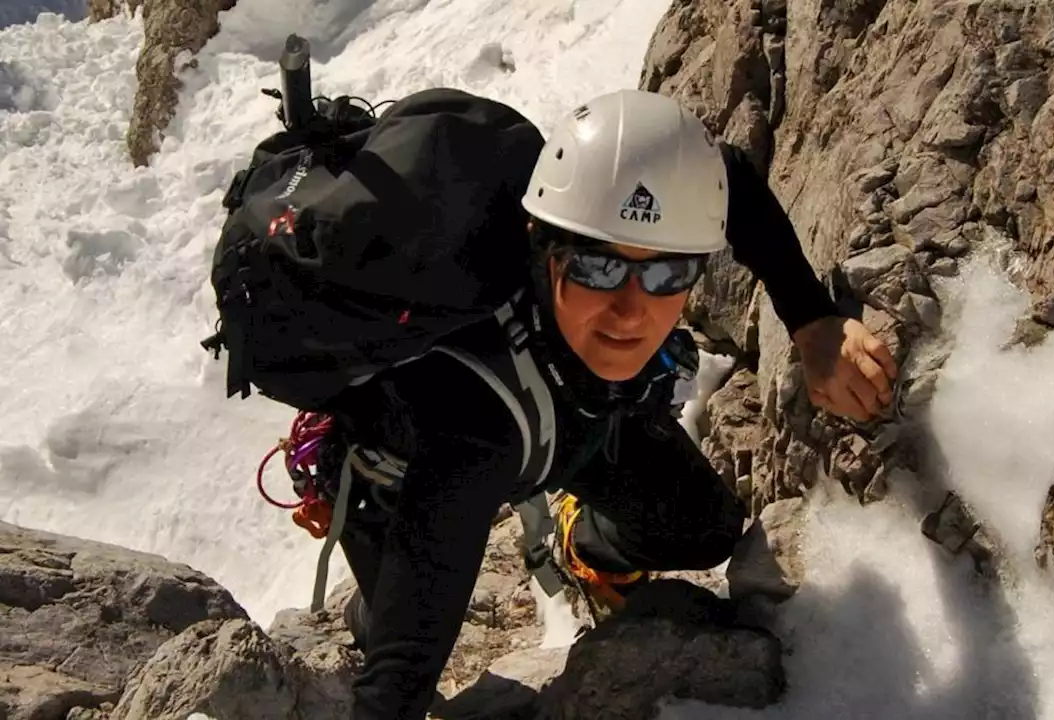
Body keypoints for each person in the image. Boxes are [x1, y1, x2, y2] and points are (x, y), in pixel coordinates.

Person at [283, 87, 898, 718]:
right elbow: (401, 675)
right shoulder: (477, 421)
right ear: (543, 250)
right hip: (402, 469)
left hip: (573, 409)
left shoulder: (592, 228)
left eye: (666, 275)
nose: (631, 312)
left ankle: (581, 542)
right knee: (399, 618)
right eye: (599, 271)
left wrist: (811, 318)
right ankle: (367, 603)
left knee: (703, 529)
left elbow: (728, 181)